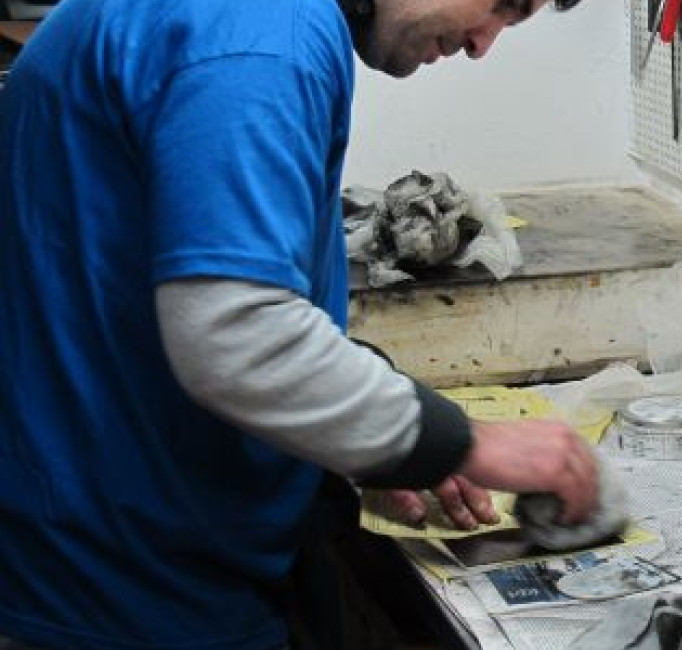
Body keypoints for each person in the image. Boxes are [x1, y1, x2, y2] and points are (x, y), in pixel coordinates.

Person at [0, 0, 599, 649]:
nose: (485, 42)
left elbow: (173, 283)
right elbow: (238, 335)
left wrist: (384, 431)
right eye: (503, 4)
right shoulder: (260, 30)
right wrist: (469, 443)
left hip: (117, 548)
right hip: (122, 589)